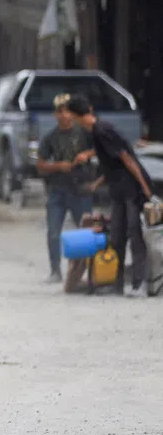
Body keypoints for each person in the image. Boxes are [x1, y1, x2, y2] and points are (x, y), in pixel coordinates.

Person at [66, 95, 153, 297]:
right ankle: (117, 283)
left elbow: (127, 159)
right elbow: (112, 165)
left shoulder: (103, 131)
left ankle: (140, 284)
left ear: (76, 116)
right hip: (118, 191)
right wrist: (96, 184)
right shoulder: (95, 134)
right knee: (116, 237)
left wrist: (145, 188)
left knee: (135, 234)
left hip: (132, 191)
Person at [36, 94, 95, 282]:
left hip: (81, 188)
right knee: (53, 232)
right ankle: (55, 271)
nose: (65, 116)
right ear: (56, 114)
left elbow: (100, 147)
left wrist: (86, 154)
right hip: (58, 190)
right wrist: (58, 166)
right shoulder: (51, 137)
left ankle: (89, 272)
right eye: (61, 112)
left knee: (85, 232)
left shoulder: (84, 132)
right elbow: (40, 164)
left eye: (68, 111)